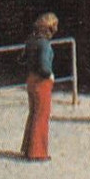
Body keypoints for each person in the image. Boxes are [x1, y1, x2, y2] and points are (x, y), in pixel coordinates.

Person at [21, 12, 59, 161]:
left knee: (33, 114)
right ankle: (37, 152)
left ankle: (28, 148)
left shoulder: (31, 40)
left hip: (30, 79)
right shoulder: (44, 44)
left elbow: (22, 59)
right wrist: (50, 75)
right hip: (41, 82)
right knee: (41, 116)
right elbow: (44, 67)